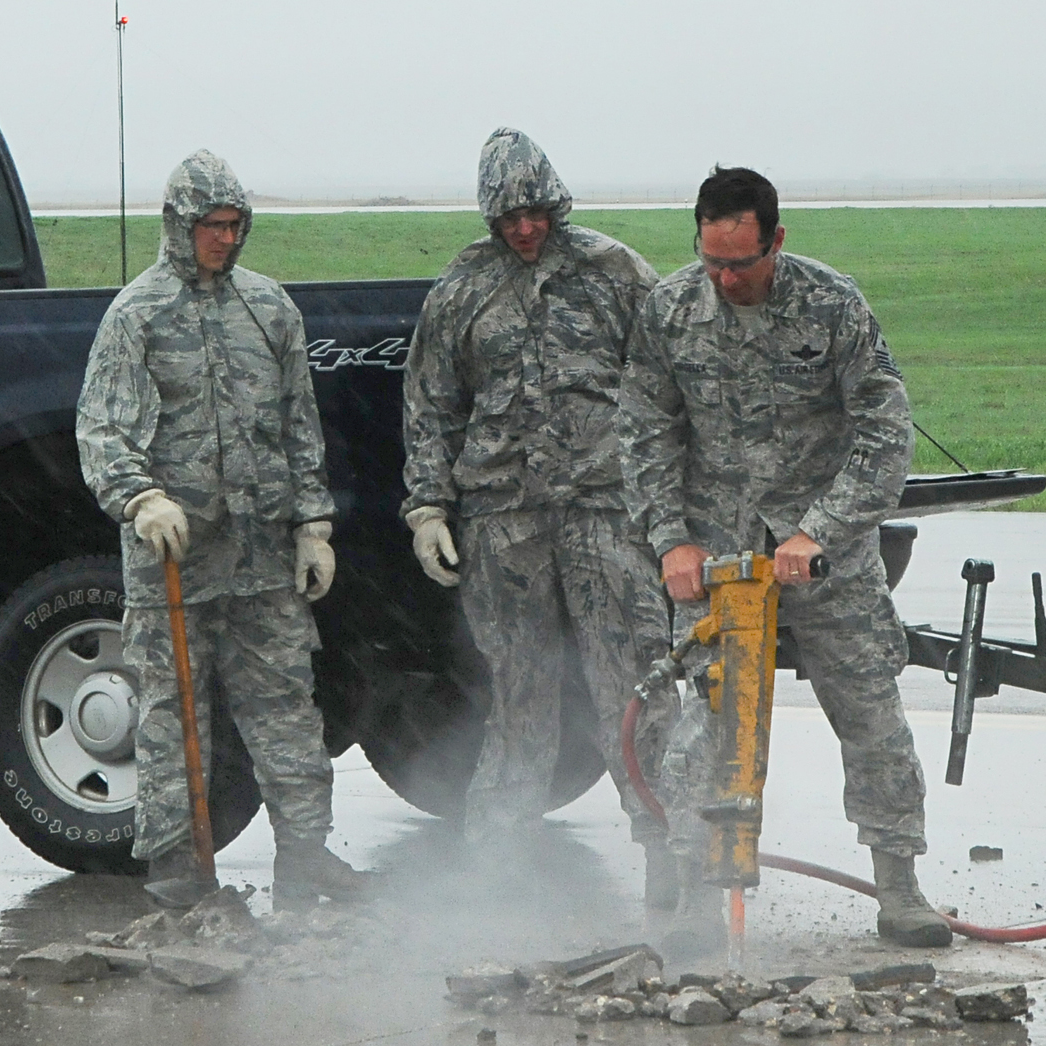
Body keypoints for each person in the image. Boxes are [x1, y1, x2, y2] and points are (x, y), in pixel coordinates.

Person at [619, 166, 949, 951]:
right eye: (714, 262)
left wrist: (822, 529)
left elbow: (883, 435)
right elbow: (644, 431)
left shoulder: (832, 304)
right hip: (716, 555)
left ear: (777, 239)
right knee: (707, 724)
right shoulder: (669, 311)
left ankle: (900, 885)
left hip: (823, 554)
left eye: (744, 262)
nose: (729, 278)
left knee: (871, 711)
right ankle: (699, 888)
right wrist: (670, 538)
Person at [77, 149, 373, 910]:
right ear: (179, 225)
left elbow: (297, 425)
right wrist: (141, 498)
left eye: (236, 225)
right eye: (212, 225)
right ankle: (180, 868)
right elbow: (103, 429)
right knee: (174, 712)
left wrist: (312, 522)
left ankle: (306, 853)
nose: (226, 238)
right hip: (173, 557)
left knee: (285, 703)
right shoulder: (137, 316)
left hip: (261, 551)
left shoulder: (268, 310)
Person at [399, 128, 678, 901]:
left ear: (555, 204)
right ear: (489, 216)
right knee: (519, 692)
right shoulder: (462, 289)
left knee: (637, 685)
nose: (524, 228)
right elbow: (429, 405)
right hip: (503, 520)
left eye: (535, 211)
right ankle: (497, 864)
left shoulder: (614, 271)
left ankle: (668, 845)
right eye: (508, 216)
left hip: (605, 511)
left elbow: (663, 385)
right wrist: (428, 507)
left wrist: (667, 503)